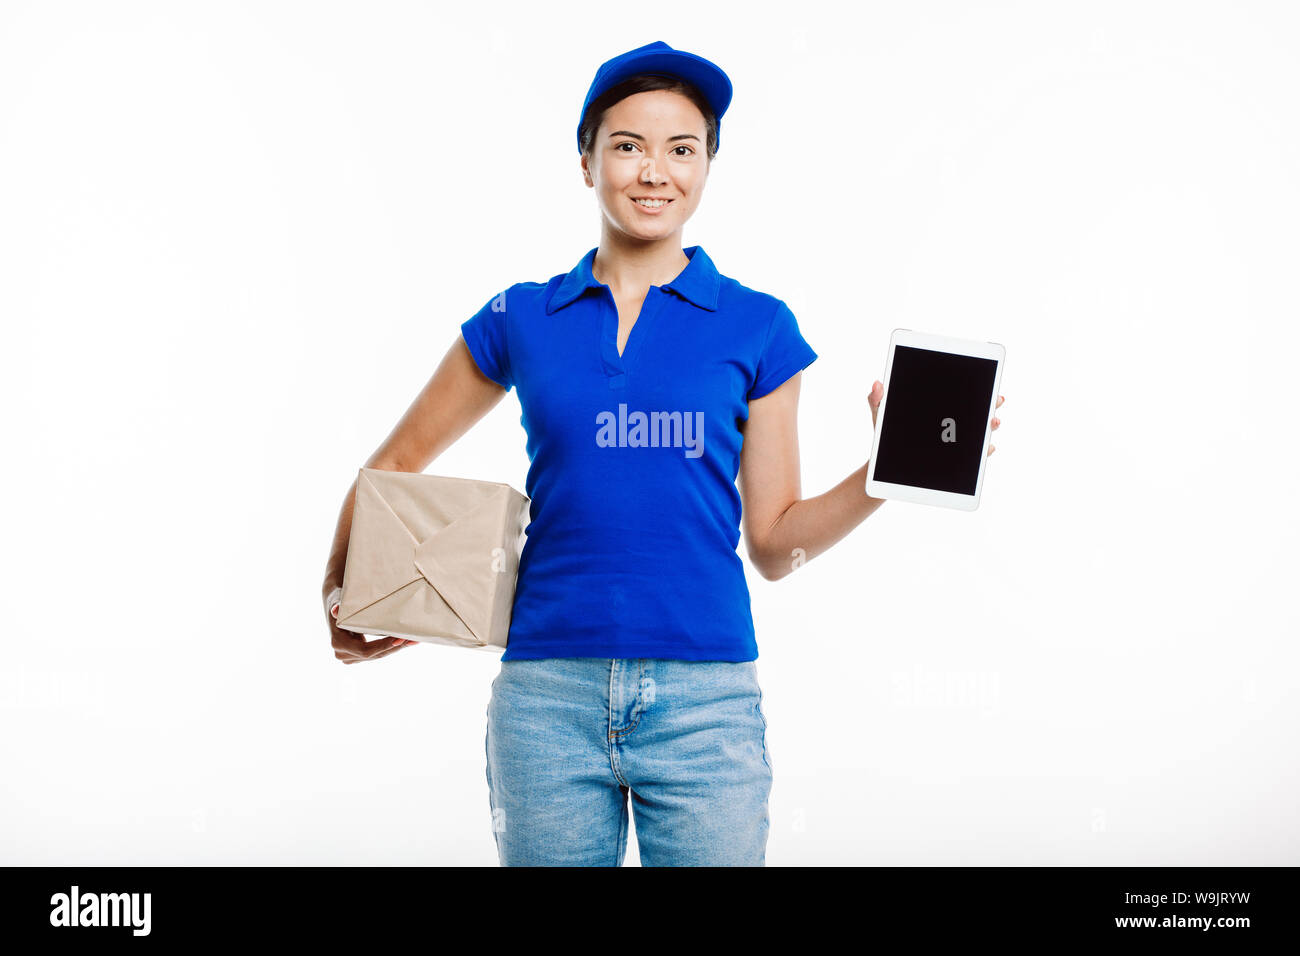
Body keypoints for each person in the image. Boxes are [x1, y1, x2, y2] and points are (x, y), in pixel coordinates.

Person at [321, 41, 1005, 866]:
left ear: (707, 167)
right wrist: (343, 592)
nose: (655, 172)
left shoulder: (758, 326)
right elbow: (392, 466)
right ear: (586, 163)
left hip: (704, 708)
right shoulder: (521, 317)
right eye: (628, 146)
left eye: (682, 149)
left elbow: (776, 546)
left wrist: (884, 470)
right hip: (546, 698)